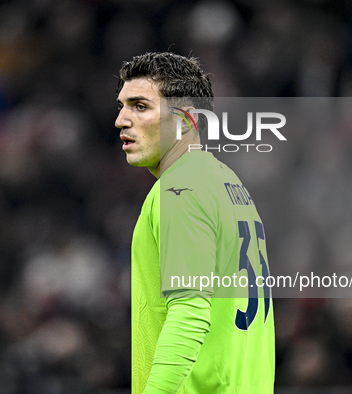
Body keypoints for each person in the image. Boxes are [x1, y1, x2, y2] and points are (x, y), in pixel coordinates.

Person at [115, 52, 275, 394]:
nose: (121, 120)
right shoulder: (229, 186)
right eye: (122, 106)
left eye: (140, 106)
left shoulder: (180, 189)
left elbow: (189, 313)